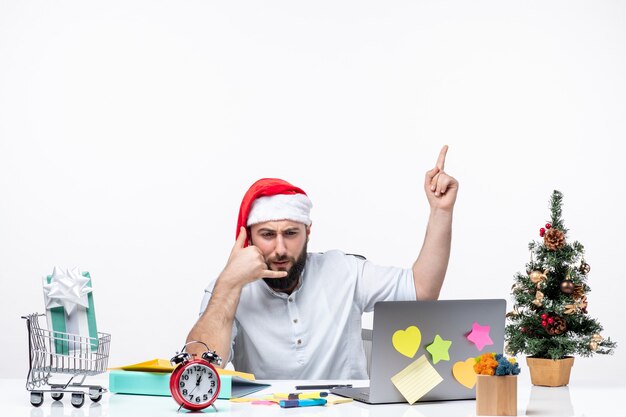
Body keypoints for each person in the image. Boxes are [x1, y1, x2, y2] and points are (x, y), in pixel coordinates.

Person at [186, 145, 458, 379]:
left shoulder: (345, 271)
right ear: (248, 239)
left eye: (291, 233)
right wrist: (229, 283)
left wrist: (441, 211)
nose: (280, 249)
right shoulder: (226, 290)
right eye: (267, 235)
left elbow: (421, 289)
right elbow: (198, 369)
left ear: (308, 232)